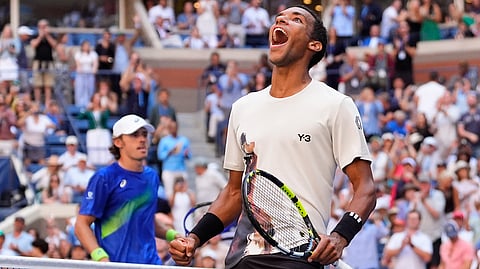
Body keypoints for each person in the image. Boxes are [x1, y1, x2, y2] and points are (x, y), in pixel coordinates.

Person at [169, 5, 376, 268]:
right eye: (279, 19)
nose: (282, 21)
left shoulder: (336, 105)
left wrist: (340, 236)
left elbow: (366, 189)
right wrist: (195, 238)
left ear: (314, 45)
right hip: (241, 258)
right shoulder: (243, 107)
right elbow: (234, 192)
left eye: (296, 19)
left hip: (298, 258)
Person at [74, 114, 179, 264]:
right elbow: (81, 225)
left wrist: (173, 235)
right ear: (118, 142)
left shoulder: (152, 176)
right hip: (116, 265)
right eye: (134, 135)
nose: (142, 139)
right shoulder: (104, 178)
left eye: (144, 134)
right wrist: (101, 257)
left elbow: (147, 218)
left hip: (151, 263)